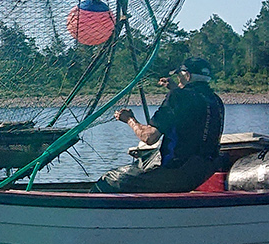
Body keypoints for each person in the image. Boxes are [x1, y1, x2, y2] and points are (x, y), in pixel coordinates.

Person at [93, 56, 225, 193]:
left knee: (107, 181)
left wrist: (129, 119)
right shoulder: (216, 100)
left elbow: (149, 137)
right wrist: (175, 89)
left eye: (179, 76)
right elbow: (193, 107)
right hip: (202, 173)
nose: (178, 79)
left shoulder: (178, 97)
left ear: (188, 75)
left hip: (176, 172)